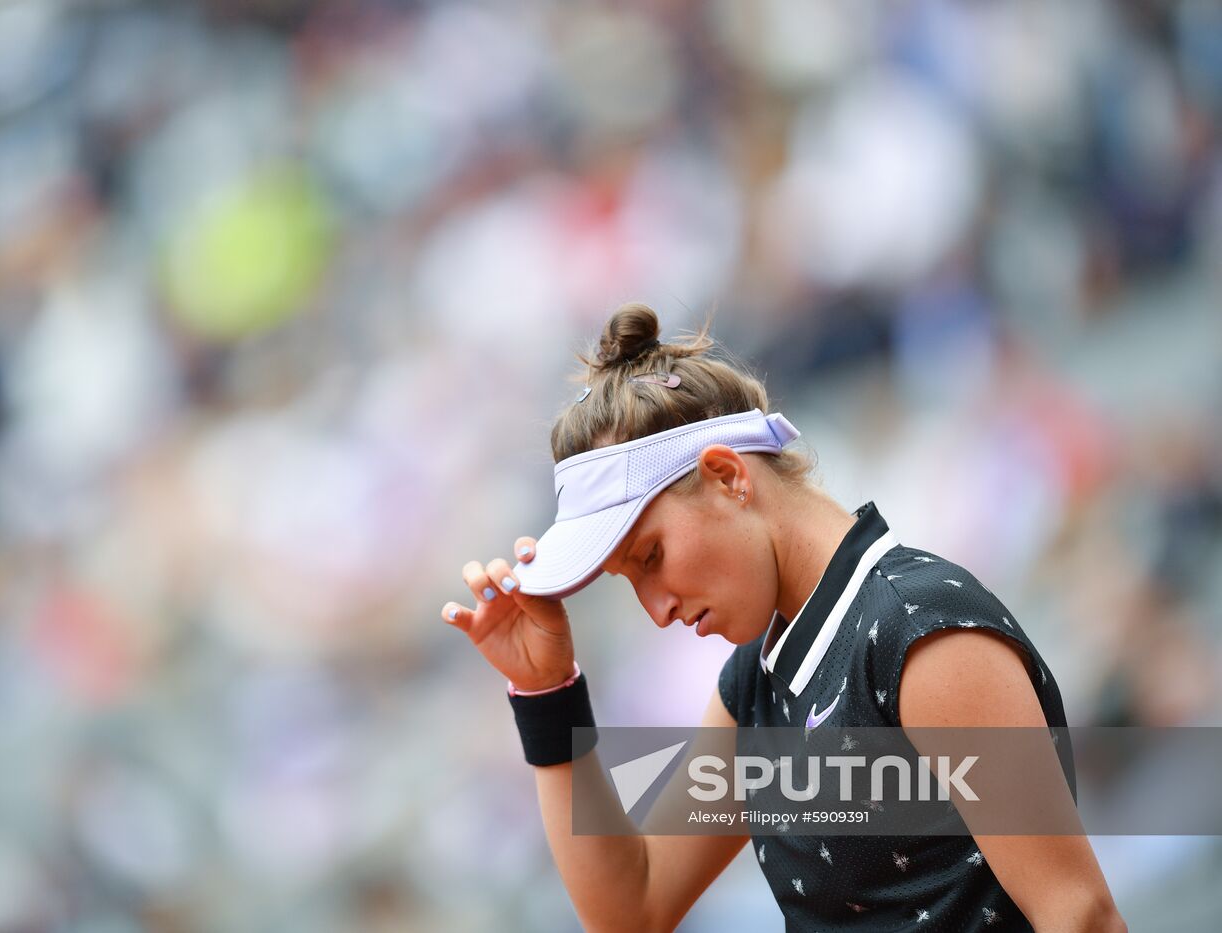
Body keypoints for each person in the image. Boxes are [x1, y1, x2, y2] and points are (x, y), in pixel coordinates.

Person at [442, 304, 1126, 932]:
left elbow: (1080, 913)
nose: (657, 610)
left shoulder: (918, 631)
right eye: (629, 579)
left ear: (728, 476)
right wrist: (547, 695)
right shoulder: (758, 682)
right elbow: (633, 907)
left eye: (650, 554)